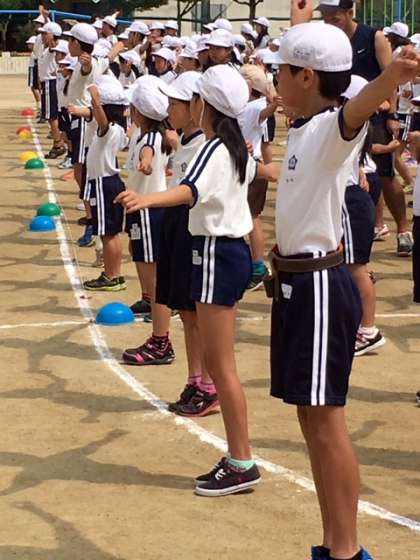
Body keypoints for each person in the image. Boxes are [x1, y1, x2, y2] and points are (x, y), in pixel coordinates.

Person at [269, 18, 419, 560]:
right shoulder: (304, 128)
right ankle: (333, 543)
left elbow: (356, 111)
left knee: (327, 421)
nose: (276, 80)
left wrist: (390, 77)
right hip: (295, 282)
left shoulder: (331, 127)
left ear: (306, 77)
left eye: (282, 71)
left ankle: (347, 551)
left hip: (319, 285)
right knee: (310, 418)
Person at [116, 65, 279, 496]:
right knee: (221, 365)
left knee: (222, 368)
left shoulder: (214, 148)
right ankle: (238, 457)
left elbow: (190, 191)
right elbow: (260, 175)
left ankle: (241, 461)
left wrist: (146, 199)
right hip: (227, 253)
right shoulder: (234, 147)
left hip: (214, 253)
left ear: (201, 105)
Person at [293, 0, 413, 256]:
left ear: (349, 13)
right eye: (325, 16)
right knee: (349, 171)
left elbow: (389, 76)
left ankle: (403, 228)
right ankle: (374, 225)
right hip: (339, 113)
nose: (329, 21)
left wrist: (392, 113)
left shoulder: (374, 37)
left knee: (384, 173)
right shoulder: (328, 38)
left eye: (334, 17)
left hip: (374, 111)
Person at [155, 71, 220, 416]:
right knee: (186, 312)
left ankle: (209, 384)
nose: (169, 110)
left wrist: (147, 200)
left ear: (196, 107)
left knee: (198, 314)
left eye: (175, 104)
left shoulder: (207, 147)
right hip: (176, 227)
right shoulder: (185, 142)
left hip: (193, 229)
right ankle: (195, 378)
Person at [122, 76, 174, 366]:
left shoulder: (151, 139)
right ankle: (157, 328)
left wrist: (145, 162)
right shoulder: (145, 135)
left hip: (149, 212)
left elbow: (148, 153)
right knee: (147, 271)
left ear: (139, 111)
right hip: (140, 210)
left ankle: (161, 340)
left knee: (156, 281)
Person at [341, 75, 386, 357]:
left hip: (351, 200)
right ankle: (360, 325)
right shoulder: (352, 125)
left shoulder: (350, 123)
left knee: (356, 267)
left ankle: (368, 331)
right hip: (351, 196)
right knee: (352, 266)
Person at [81, 76, 128, 291]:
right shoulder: (118, 129)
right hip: (109, 182)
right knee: (111, 233)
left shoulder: (108, 128)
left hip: (103, 184)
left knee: (107, 233)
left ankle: (111, 275)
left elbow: (101, 121)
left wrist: (95, 98)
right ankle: (114, 274)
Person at [238, 64, 281, 290]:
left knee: (252, 218)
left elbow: (266, 110)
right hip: (245, 167)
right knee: (246, 217)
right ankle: (252, 264)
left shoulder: (253, 106)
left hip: (252, 169)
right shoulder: (247, 106)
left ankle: (258, 266)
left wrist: (273, 100)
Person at [67, 22, 109, 249]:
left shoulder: (87, 63)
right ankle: (92, 216)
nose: (68, 44)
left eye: (70, 40)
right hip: (78, 120)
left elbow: (88, 68)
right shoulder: (84, 62)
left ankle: (92, 221)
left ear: (77, 43)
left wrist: (87, 64)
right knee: (82, 172)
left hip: (84, 121)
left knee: (83, 172)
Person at [38, 22, 66, 159]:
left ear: (52, 35)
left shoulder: (56, 47)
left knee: (52, 115)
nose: (42, 36)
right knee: (51, 115)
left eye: (45, 33)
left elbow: (57, 50)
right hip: (47, 82)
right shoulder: (47, 48)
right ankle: (59, 141)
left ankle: (58, 144)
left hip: (51, 82)